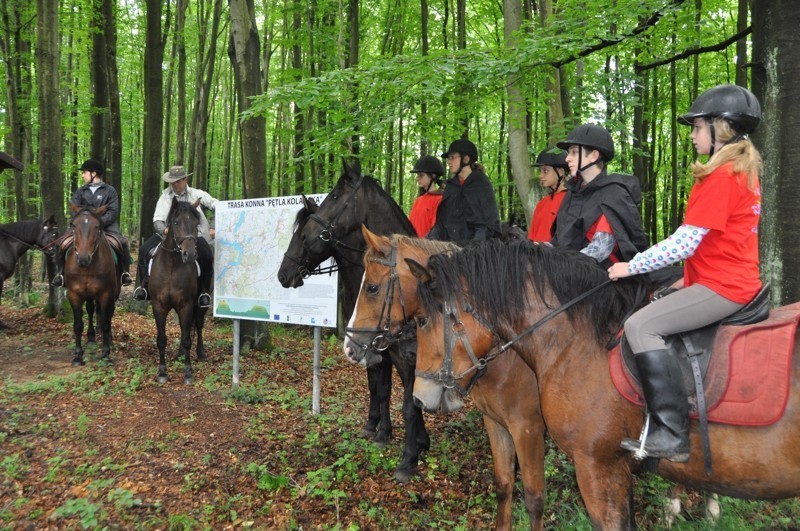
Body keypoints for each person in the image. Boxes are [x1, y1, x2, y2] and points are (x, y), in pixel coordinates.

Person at [608, 84, 763, 462]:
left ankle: (671, 432)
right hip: (721, 277)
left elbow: (684, 243)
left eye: (697, 127)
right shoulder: (736, 171)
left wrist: (632, 265)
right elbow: (717, 242)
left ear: (721, 127)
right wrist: (683, 279)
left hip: (724, 286)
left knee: (639, 327)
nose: (692, 135)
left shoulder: (723, 175)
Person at [550, 123, 649, 267]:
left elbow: (600, 249)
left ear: (593, 156)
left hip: (605, 276)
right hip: (569, 272)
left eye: (574, 152)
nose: (567, 159)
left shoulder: (613, 194)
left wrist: (560, 265)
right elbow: (558, 243)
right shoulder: (572, 194)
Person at [133, 166, 217, 307]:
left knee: (207, 255)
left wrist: (214, 225)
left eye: (178, 181)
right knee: (144, 250)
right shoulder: (165, 197)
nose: (174, 184)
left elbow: (217, 205)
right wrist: (165, 230)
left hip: (195, 235)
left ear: (185, 179)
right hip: (168, 236)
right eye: (172, 181)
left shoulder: (198, 194)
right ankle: (144, 287)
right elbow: (157, 220)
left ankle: (204, 292)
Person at [52, 159, 133, 287]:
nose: (82, 175)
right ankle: (60, 274)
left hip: (106, 226)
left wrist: (98, 223)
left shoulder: (110, 191)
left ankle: (125, 273)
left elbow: (113, 211)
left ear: (94, 174)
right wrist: (82, 223)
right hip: (82, 227)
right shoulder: (81, 191)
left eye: (84, 172)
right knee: (60, 243)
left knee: (122, 243)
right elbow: (74, 210)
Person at [427, 138, 501, 242]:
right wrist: (430, 239)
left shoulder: (481, 185)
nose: (449, 161)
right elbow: (442, 224)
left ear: (466, 159)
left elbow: (488, 226)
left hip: (476, 251)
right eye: (448, 158)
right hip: (448, 248)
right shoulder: (451, 186)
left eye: (452, 157)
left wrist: (471, 251)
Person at [528, 147, 569, 243]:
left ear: (561, 171)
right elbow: (532, 239)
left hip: (557, 256)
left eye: (545, 171)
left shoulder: (571, 201)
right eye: (540, 171)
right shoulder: (541, 204)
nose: (540, 176)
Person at [408, 155, 445, 237]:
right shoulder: (418, 200)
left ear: (433, 176)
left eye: (421, 175)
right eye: (417, 175)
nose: (417, 178)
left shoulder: (439, 200)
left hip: (426, 247)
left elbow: (435, 232)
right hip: (411, 247)